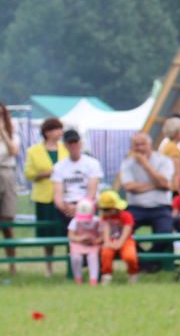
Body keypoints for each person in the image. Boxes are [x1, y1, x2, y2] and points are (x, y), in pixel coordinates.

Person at [116, 132, 177, 236]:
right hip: (135, 207)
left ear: (150, 145)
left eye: (143, 144)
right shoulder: (127, 163)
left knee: (165, 232)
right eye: (136, 145)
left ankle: (155, 252)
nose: (140, 148)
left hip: (161, 207)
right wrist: (155, 185)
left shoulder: (164, 160)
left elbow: (163, 182)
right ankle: (137, 252)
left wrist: (145, 164)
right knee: (120, 231)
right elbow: (129, 186)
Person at [25, 118, 66, 272]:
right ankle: (49, 266)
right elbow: (29, 174)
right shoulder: (33, 151)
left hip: (63, 196)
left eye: (60, 129)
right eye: (57, 129)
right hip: (44, 197)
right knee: (47, 232)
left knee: (65, 229)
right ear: (47, 132)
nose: (59, 132)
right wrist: (46, 173)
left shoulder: (65, 148)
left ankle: (70, 263)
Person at [96, 190, 140, 283]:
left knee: (130, 256)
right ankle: (106, 275)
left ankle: (133, 274)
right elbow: (106, 232)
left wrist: (119, 243)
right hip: (111, 240)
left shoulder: (126, 216)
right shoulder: (105, 218)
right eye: (103, 210)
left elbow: (126, 232)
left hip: (126, 240)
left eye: (106, 210)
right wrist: (108, 243)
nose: (104, 212)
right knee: (105, 253)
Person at [67, 198, 104, 284]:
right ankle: (78, 277)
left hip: (93, 244)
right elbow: (71, 235)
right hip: (78, 244)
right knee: (76, 257)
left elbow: (102, 235)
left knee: (93, 257)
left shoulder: (97, 221)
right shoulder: (75, 221)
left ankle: (93, 279)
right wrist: (81, 239)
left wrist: (96, 240)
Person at [0, 105, 18, 242]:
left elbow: (14, 151)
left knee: (7, 217)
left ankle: (12, 261)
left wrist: (3, 133)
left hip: (6, 172)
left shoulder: (13, 132)